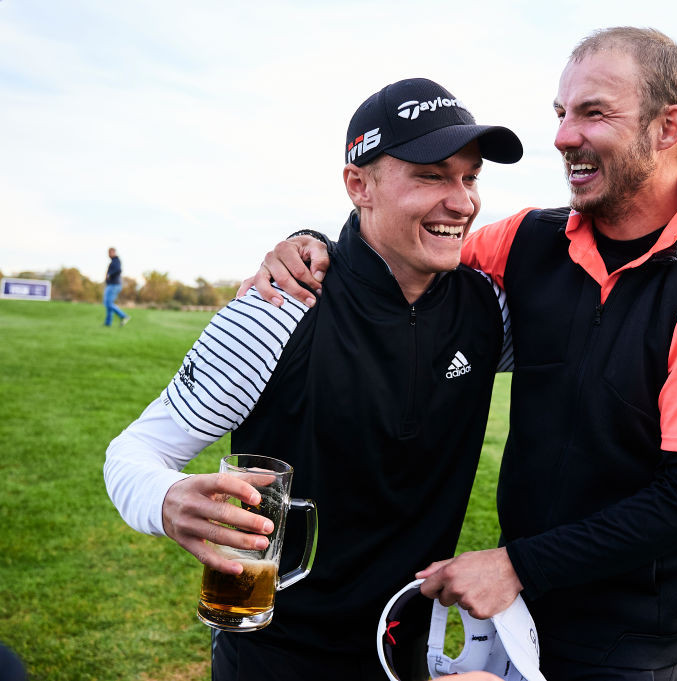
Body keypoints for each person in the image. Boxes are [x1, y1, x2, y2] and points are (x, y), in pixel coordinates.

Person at [251, 27, 677, 681]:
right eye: (561, 113)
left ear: (668, 128)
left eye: (593, 112)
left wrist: (517, 563)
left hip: (623, 645)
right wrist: (308, 244)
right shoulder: (529, 240)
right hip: (515, 617)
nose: (562, 136)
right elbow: (401, 247)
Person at [105, 77, 526, 680]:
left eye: (470, 176)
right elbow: (135, 451)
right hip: (275, 660)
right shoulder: (279, 306)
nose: (461, 201)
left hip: (405, 655)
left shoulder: (487, 309)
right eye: (431, 176)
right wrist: (165, 499)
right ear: (359, 184)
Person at [103, 247, 129, 327]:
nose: (109, 254)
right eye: (108, 253)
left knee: (108, 303)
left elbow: (118, 270)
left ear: (114, 252)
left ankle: (124, 316)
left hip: (114, 285)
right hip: (112, 285)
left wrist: (110, 274)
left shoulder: (116, 261)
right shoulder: (113, 261)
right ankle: (108, 323)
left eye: (110, 252)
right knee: (108, 304)